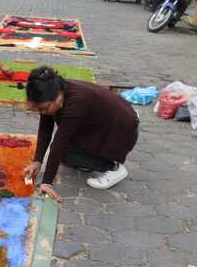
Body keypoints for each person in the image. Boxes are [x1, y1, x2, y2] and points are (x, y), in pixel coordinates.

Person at [22, 66, 139, 201]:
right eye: (39, 110)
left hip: (121, 132)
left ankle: (114, 167)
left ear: (58, 98)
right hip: (101, 125)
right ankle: (90, 160)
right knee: (63, 155)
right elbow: (45, 128)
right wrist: (37, 161)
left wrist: (47, 182)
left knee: (63, 151)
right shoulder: (53, 90)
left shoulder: (76, 102)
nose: (42, 112)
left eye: (44, 108)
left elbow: (59, 143)